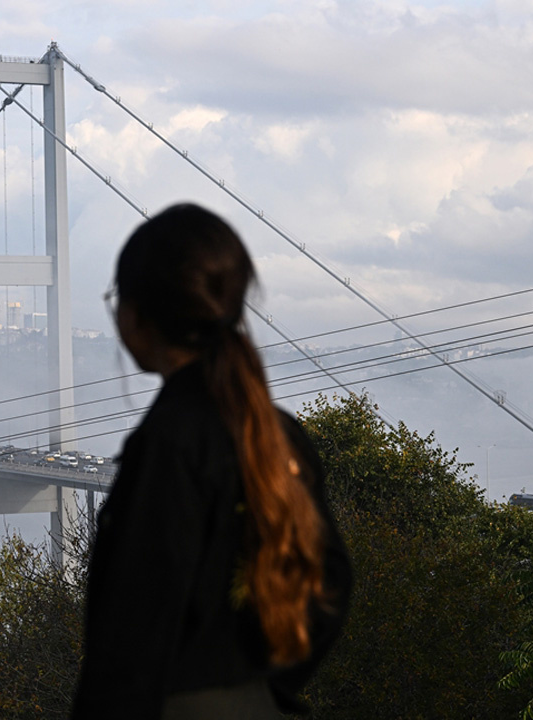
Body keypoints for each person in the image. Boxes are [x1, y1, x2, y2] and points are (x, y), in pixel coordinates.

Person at [71, 204, 352, 720]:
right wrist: (261, 687)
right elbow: (331, 581)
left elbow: (128, 640)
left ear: (135, 317)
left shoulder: (167, 446)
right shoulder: (278, 433)